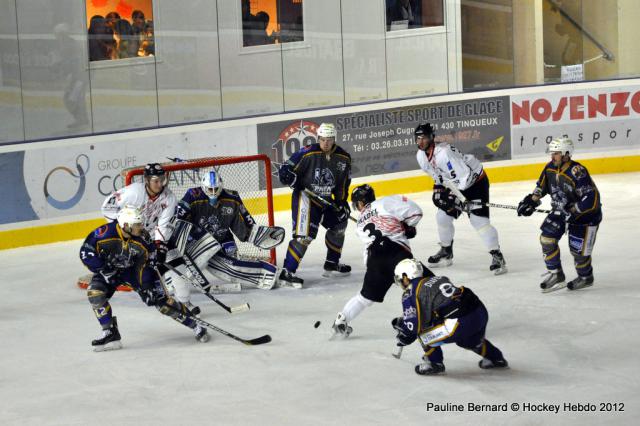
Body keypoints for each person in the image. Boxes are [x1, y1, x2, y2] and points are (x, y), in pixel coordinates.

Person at [79, 206, 209, 351]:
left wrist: (147, 286)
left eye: (140, 223)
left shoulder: (143, 238)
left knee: (163, 303)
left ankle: (194, 324)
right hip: (110, 270)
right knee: (95, 294)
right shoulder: (104, 233)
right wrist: (103, 268)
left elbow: (145, 265)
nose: (141, 227)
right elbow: (86, 252)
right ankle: (110, 333)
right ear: (125, 225)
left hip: (134, 272)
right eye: (137, 224)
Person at [164, 169, 285, 305]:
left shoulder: (232, 198)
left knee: (232, 267)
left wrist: (257, 235)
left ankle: (271, 275)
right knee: (187, 270)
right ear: (204, 187)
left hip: (223, 239)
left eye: (216, 189)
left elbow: (245, 224)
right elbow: (177, 220)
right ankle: (169, 279)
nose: (214, 192)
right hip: (200, 242)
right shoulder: (193, 196)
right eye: (210, 189)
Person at [415, 122, 507, 275]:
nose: (420, 142)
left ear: (431, 137)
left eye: (423, 138)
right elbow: (438, 177)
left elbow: (465, 178)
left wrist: (457, 198)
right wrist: (439, 191)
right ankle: (446, 251)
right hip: (457, 185)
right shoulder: (421, 156)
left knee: (479, 222)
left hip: (475, 183)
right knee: (442, 217)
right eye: (418, 138)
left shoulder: (443, 154)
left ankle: (497, 256)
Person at [331, 184, 423, 337]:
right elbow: (416, 213)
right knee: (421, 286)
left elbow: (368, 251)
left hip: (374, 259)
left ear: (360, 203)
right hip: (396, 252)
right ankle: (428, 315)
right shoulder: (385, 202)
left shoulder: (360, 223)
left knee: (365, 297)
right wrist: (407, 227)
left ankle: (342, 320)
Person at [392, 258, 508, 375]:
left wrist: (404, 336)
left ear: (406, 276)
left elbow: (414, 326)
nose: (401, 282)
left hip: (460, 321)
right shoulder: (438, 278)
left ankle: (435, 363)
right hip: (479, 311)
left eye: (400, 279)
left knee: (423, 334)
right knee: (469, 341)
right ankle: (496, 358)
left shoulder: (410, 293)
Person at [517, 137, 602, 292]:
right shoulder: (550, 168)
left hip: (584, 217)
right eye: (552, 153)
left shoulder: (578, 172)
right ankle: (556, 274)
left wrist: (574, 210)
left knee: (578, 253)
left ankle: (585, 277)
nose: (552, 157)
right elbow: (541, 187)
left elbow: (592, 199)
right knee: (546, 239)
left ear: (566, 154)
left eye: (556, 154)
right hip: (561, 212)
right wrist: (531, 201)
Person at [78, 163, 178, 290]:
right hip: (130, 231)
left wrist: (160, 245)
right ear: (147, 180)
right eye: (156, 181)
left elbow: (163, 224)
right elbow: (107, 207)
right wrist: (122, 229)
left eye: (162, 180)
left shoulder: (169, 197)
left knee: (158, 261)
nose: (160, 185)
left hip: (149, 234)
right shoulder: (134, 192)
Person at [277, 123, 352, 288]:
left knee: (340, 224)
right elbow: (285, 170)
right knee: (304, 237)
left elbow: (343, 183)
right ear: (318, 138)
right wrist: (288, 176)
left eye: (329, 140)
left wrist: (341, 201)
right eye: (323, 139)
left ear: (334, 139)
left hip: (326, 199)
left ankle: (332, 263)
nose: (325, 143)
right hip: (306, 198)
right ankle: (287, 272)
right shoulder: (307, 152)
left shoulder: (343, 157)